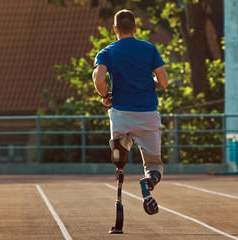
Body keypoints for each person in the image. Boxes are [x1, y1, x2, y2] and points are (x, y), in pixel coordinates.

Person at [92, 9, 168, 215]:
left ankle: (120, 157)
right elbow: (163, 82)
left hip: (121, 114)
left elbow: (98, 79)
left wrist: (105, 95)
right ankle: (149, 181)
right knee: (153, 164)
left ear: (115, 28)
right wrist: (150, 85)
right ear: (135, 28)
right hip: (147, 114)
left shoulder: (107, 52)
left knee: (120, 154)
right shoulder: (149, 49)